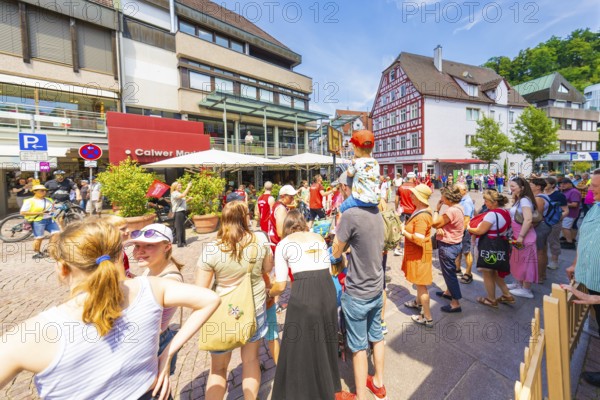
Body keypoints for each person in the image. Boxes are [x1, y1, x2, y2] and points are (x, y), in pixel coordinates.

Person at [0, 219, 220, 400]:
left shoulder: (29, 335)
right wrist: (167, 353)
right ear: (118, 257)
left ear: (62, 268)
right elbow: (209, 299)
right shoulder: (152, 288)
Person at [195, 201, 273, 400]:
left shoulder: (212, 249)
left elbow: (200, 291)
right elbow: (267, 269)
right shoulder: (260, 241)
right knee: (251, 360)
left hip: (222, 312)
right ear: (245, 217)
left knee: (218, 369)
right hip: (253, 308)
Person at [269, 210, 342, 399]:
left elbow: (281, 284)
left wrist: (268, 294)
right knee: (324, 339)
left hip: (304, 290)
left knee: (298, 345)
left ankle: (301, 391)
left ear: (285, 227)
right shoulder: (317, 237)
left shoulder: (283, 244)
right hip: (327, 289)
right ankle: (327, 386)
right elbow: (327, 268)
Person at [332, 171, 386, 400]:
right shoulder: (377, 210)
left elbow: (336, 250)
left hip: (358, 292)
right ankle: (379, 384)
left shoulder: (350, 214)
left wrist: (342, 249)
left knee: (357, 347)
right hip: (376, 286)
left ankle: (361, 396)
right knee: (377, 336)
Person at [127, 224, 185, 374]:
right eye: (137, 245)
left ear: (166, 247)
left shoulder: (170, 280)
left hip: (154, 345)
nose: (139, 251)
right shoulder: (152, 267)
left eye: (149, 245)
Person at [565, 169, 600, 387]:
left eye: (595, 186)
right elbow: (587, 237)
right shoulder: (596, 207)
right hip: (593, 282)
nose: (589, 188)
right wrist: (576, 264)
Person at [467, 190, 514, 307]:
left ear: (493, 202)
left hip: (488, 246)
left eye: (486, 201)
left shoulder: (491, 214)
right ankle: (507, 294)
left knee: (487, 272)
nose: (485, 203)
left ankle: (491, 299)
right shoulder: (505, 212)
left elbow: (480, 230)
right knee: (495, 272)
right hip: (500, 245)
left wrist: (469, 227)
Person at [401, 184, 434, 326]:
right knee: (419, 283)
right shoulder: (421, 209)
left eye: (413, 195)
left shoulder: (422, 216)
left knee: (421, 285)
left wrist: (403, 231)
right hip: (419, 253)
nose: (411, 197)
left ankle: (427, 317)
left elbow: (419, 239)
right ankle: (417, 302)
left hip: (419, 254)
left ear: (420, 198)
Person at [432, 186, 465, 313]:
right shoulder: (458, 208)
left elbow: (435, 223)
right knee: (448, 273)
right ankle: (448, 292)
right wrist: (442, 228)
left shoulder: (451, 211)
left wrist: (436, 210)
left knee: (450, 274)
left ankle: (455, 303)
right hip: (455, 243)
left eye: (442, 196)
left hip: (448, 245)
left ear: (448, 198)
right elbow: (446, 224)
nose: (440, 198)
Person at [506, 177, 538, 299]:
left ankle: (526, 289)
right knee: (518, 260)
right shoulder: (520, 199)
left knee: (526, 262)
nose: (511, 188)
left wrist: (520, 237)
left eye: (513, 186)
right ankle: (519, 283)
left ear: (522, 188)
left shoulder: (524, 200)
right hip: (519, 235)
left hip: (523, 236)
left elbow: (528, 219)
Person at [20, 185, 60, 259]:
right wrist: (39, 213)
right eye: (41, 190)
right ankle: (37, 252)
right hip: (38, 221)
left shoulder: (49, 200)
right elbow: (22, 212)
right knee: (39, 238)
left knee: (56, 234)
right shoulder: (29, 201)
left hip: (50, 220)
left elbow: (52, 209)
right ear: (35, 191)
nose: (44, 192)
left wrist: (53, 210)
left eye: (45, 190)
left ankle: (49, 250)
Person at [530, 178, 552, 283]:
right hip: (545, 225)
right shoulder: (544, 196)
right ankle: (542, 274)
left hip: (540, 226)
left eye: (531, 184)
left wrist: (529, 227)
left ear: (538, 187)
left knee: (540, 252)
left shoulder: (538, 198)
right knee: (543, 250)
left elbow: (537, 217)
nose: (529, 186)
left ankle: (539, 276)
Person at [544, 177, 569, 270]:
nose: (544, 185)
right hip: (542, 222)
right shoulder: (541, 194)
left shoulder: (559, 195)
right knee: (542, 243)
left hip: (554, 223)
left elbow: (566, 210)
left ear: (552, 185)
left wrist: (558, 218)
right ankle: (544, 261)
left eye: (546, 183)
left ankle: (554, 261)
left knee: (553, 241)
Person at [454, 183, 475, 284]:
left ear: (464, 190)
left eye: (457, 190)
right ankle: (457, 269)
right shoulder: (461, 200)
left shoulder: (466, 202)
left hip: (464, 231)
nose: (456, 192)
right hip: (460, 230)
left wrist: (460, 233)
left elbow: (466, 220)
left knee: (466, 252)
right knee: (458, 251)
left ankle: (468, 273)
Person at [394, 171, 417, 256]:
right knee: (413, 229)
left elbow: (396, 200)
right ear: (413, 178)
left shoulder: (400, 187)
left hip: (402, 210)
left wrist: (396, 209)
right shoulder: (416, 187)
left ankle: (397, 248)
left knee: (400, 229)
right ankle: (411, 247)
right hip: (413, 211)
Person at [560, 178, 581, 249]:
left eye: (564, 184)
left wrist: (562, 204)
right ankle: (569, 239)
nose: (562, 185)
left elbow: (575, 204)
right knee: (567, 227)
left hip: (570, 213)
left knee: (565, 227)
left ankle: (569, 243)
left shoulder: (574, 191)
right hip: (566, 213)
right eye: (561, 184)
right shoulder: (566, 191)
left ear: (570, 184)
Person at [170, 181, 192, 247]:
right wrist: (188, 186)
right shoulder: (174, 193)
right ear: (174, 187)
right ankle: (180, 243)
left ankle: (183, 241)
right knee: (179, 228)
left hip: (181, 211)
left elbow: (182, 202)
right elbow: (183, 195)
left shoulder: (178, 193)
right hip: (178, 212)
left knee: (182, 227)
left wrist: (188, 200)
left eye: (180, 185)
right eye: (179, 185)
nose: (180, 186)